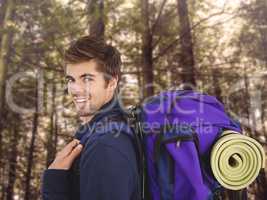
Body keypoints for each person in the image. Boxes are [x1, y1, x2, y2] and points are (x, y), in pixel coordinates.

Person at [41, 36, 140, 200]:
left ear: (111, 82)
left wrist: (54, 184)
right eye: (71, 80)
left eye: (87, 79)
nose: (75, 89)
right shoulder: (101, 133)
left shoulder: (106, 145)